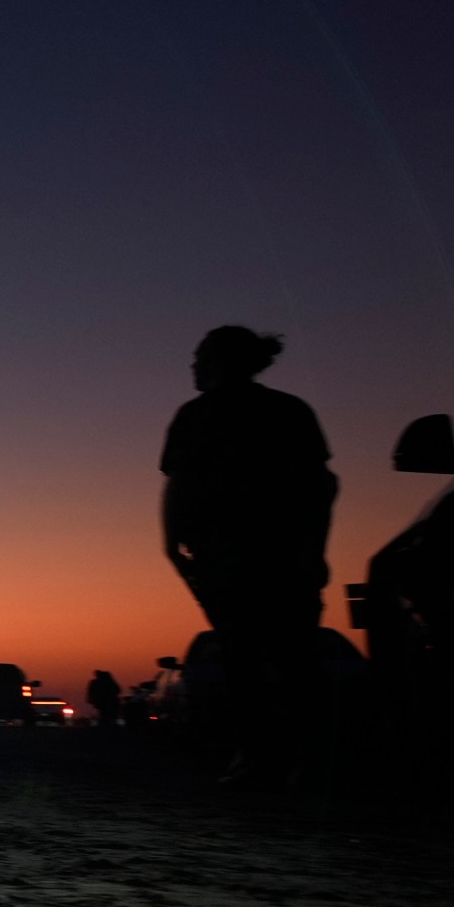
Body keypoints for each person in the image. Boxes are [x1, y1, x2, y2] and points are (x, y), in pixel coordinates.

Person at [160, 325, 336, 786]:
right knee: (293, 657)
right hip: (279, 554)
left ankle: (262, 758)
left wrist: (172, 544)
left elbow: (178, 487)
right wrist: (314, 549)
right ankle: (308, 759)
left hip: (233, 556)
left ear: (220, 361)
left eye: (199, 358)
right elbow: (320, 489)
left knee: (247, 659)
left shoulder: (197, 416)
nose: (193, 367)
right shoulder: (289, 410)